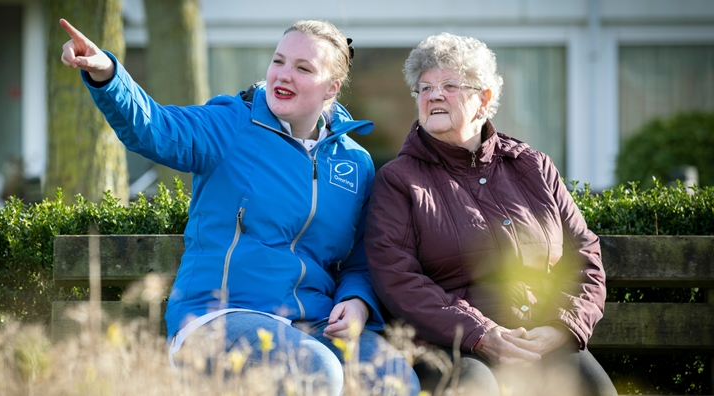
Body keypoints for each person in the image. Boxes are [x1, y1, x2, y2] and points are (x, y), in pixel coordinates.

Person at [59, 18, 419, 395]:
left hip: (312, 325)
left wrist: (356, 301)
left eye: (303, 68)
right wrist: (109, 76)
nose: (283, 75)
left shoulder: (355, 164)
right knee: (314, 371)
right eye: (278, 61)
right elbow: (155, 129)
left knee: (395, 380)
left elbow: (360, 258)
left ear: (331, 87)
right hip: (217, 318)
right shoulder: (231, 125)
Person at [364, 33, 617, 396]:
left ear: (483, 99)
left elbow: (585, 254)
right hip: (451, 346)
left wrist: (562, 327)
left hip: (541, 337)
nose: (433, 95)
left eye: (449, 85)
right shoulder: (399, 180)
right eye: (424, 88)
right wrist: (480, 333)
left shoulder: (532, 166)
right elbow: (398, 278)